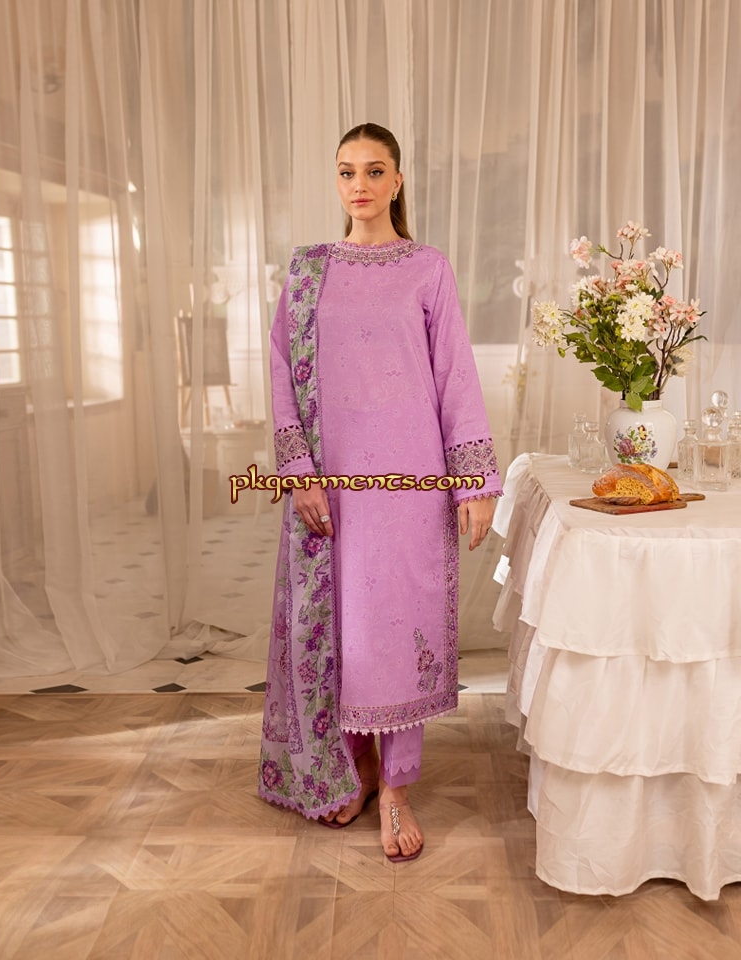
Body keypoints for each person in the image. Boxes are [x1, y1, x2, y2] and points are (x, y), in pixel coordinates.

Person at [258, 122, 502, 862]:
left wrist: (474, 481)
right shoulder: (309, 272)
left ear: (397, 181)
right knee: (343, 634)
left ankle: (396, 785)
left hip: (409, 482)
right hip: (332, 483)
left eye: (373, 170)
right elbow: (280, 370)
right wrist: (298, 470)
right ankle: (353, 767)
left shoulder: (428, 268)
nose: (358, 184)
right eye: (346, 171)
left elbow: (454, 373)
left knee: (393, 633)